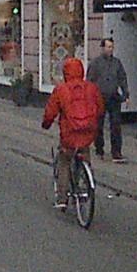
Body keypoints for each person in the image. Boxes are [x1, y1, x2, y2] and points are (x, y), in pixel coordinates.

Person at [40, 57, 105, 209]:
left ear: (65, 73)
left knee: (64, 161)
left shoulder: (61, 90)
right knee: (84, 152)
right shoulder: (92, 88)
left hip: (69, 134)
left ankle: (62, 198)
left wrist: (46, 124)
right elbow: (100, 108)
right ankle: (87, 183)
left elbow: (50, 112)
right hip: (88, 132)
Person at [85, 38, 130, 161]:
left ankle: (116, 151)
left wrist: (126, 94)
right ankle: (99, 148)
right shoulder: (95, 63)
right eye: (108, 47)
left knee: (116, 125)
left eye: (112, 47)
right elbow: (89, 81)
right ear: (103, 48)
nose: (110, 49)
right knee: (98, 125)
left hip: (114, 97)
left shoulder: (117, 63)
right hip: (100, 97)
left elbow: (122, 78)